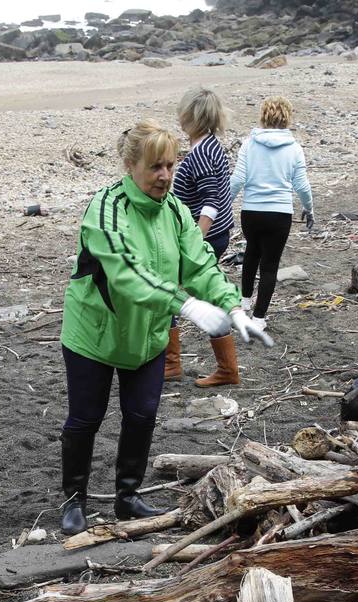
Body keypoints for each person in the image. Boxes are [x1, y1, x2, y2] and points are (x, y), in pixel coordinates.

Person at [58, 119, 270, 536]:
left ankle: (127, 496)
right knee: (86, 418)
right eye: (156, 167)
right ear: (129, 164)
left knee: (142, 414)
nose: (165, 177)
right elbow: (125, 274)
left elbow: (200, 262)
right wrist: (185, 304)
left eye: (171, 166)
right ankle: (73, 499)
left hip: (147, 336)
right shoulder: (105, 209)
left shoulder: (174, 211)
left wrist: (233, 305)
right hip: (95, 333)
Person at [169, 86, 243, 388]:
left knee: (170, 293)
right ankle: (220, 368)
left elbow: (211, 200)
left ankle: (175, 364)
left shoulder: (200, 153)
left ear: (190, 116)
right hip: (218, 233)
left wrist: (195, 240)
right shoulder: (212, 145)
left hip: (205, 236)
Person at [230, 96, 314, 328]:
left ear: (263, 115)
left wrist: (224, 203)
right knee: (270, 265)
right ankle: (259, 318)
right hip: (279, 214)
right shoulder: (294, 148)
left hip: (251, 212)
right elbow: (302, 185)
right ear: (287, 117)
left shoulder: (249, 144)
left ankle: (244, 303)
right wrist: (309, 208)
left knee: (251, 254)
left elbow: (237, 179)